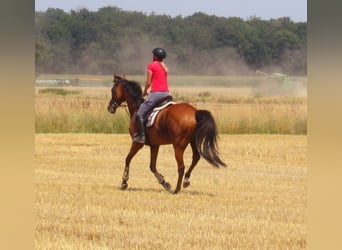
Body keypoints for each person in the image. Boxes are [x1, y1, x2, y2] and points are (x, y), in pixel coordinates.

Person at [133, 48, 169, 143]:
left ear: (155, 56)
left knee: (139, 113)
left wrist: (144, 91)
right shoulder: (164, 67)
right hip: (166, 93)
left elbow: (148, 83)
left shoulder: (151, 66)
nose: (152, 56)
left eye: (153, 55)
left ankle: (142, 137)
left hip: (156, 93)